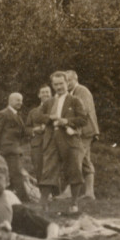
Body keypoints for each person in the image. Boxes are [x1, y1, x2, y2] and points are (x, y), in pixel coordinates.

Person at [38, 71, 89, 213]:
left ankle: (74, 203)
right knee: (49, 169)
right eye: (56, 84)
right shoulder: (48, 102)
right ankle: (43, 203)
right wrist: (51, 118)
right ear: (52, 85)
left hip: (69, 138)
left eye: (61, 83)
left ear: (67, 83)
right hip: (52, 138)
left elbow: (83, 119)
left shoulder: (75, 100)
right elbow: (39, 116)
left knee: (74, 168)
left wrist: (66, 121)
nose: (59, 87)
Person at [66, 70, 99, 200]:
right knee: (85, 161)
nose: (67, 83)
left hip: (85, 130)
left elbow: (83, 111)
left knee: (76, 159)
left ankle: (69, 192)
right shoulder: (73, 92)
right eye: (66, 81)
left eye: (69, 80)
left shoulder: (82, 91)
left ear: (75, 79)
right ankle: (89, 193)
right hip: (82, 130)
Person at [0, 92, 28, 201]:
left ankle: (12, 199)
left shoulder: (17, 115)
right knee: (16, 174)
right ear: (10, 101)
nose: (20, 103)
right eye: (17, 100)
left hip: (14, 149)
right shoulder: (3, 114)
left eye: (21, 100)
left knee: (12, 174)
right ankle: (23, 199)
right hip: (6, 150)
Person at [25, 85, 52, 181]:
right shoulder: (33, 112)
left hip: (53, 144)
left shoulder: (56, 109)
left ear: (51, 94)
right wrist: (34, 130)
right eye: (43, 92)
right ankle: (42, 194)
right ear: (39, 95)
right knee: (39, 169)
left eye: (47, 92)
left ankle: (57, 195)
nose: (45, 94)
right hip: (37, 144)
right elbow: (27, 128)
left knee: (54, 170)